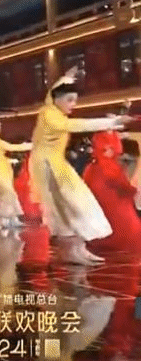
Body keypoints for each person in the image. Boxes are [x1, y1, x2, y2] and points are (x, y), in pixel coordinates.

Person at [29, 66, 129, 265]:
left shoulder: (52, 108)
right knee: (66, 208)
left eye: (74, 100)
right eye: (69, 100)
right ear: (58, 99)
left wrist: (66, 78)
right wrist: (113, 122)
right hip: (47, 167)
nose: (73, 105)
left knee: (78, 204)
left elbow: (51, 94)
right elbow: (78, 125)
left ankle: (79, 250)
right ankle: (71, 252)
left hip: (56, 164)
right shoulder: (50, 115)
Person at [84, 131, 141, 256]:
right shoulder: (114, 171)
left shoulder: (90, 170)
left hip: (98, 236)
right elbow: (130, 189)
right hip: (126, 236)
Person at [0, 118, 32, 229]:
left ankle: (12, 220)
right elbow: (9, 147)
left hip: (0, 169)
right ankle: (6, 220)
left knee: (8, 194)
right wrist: (28, 146)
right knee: (6, 195)